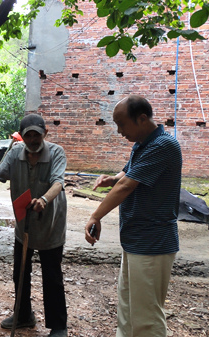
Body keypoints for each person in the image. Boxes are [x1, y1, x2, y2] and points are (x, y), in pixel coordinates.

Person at [0, 114, 68, 337]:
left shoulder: (56, 152)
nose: (32, 140)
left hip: (50, 224)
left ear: (44, 134)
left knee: (52, 275)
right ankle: (23, 315)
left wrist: (44, 200)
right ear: (22, 136)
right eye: (28, 135)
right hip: (24, 225)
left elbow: (58, 182)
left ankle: (58, 326)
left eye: (36, 135)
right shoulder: (14, 153)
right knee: (20, 272)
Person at [85, 95, 181, 337]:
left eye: (121, 124)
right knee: (128, 310)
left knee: (146, 317)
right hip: (136, 240)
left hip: (152, 243)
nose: (119, 131)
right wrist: (112, 179)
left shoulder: (163, 145)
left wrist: (95, 216)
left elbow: (127, 185)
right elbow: (127, 174)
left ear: (141, 119)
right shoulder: (144, 144)